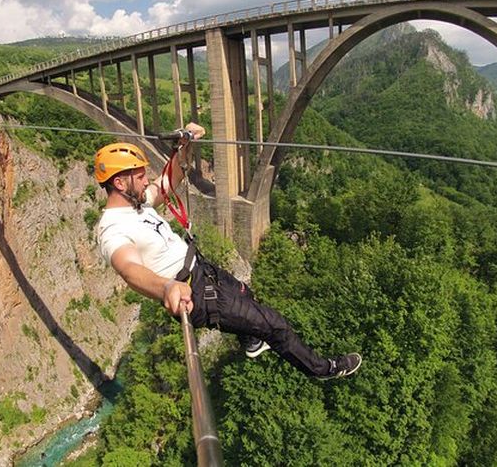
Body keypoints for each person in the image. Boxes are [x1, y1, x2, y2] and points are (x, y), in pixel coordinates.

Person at [94, 123, 361, 380]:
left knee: (246, 291)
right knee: (275, 325)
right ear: (120, 183)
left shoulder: (139, 204)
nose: (145, 181)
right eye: (140, 176)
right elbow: (130, 270)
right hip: (192, 292)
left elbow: (167, 180)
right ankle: (324, 369)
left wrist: (185, 146)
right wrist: (166, 288)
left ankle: (251, 340)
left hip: (201, 269)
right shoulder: (112, 229)